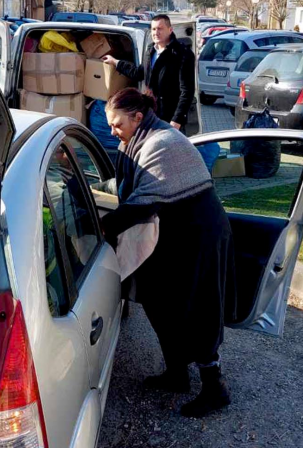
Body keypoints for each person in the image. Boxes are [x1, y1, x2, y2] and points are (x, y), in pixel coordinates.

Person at [100, 88, 236, 418]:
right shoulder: (141, 140)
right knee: (160, 303)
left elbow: (139, 205)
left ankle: (214, 388)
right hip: (173, 233)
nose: (113, 131)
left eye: (117, 124)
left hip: (199, 236)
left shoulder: (162, 143)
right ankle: (176, 374)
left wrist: (97, 228)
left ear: (137, 117)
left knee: (197, 309)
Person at [101, 14, 195, 131]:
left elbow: (187, 91)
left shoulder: (182, 54)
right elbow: (139, 73)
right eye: (153, 29)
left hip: (170, 119)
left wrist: (177, 120)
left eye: (160, 28)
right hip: (151, 115)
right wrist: (116, 62)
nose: (156, 32)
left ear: (170, 30)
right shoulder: (150, 50)